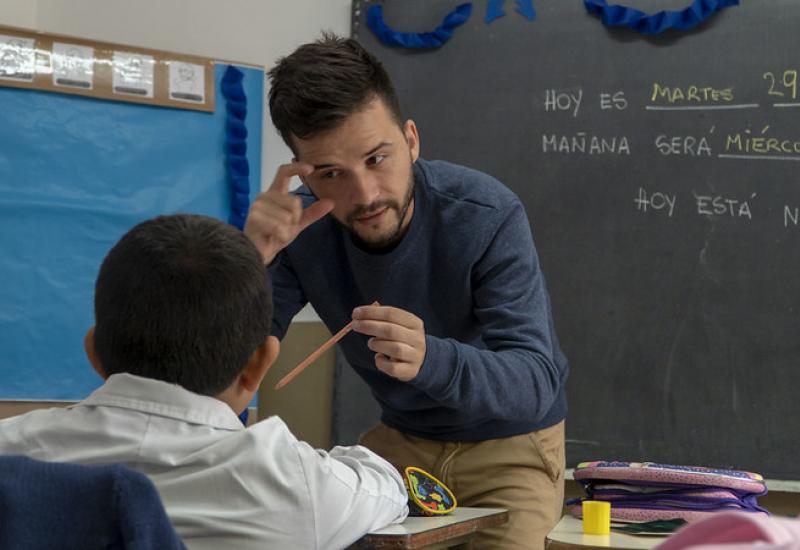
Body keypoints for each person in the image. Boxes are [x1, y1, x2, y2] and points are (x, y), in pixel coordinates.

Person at [244, 33, 570, 549]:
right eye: (332, 174)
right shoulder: (299, 228)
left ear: (412, 140)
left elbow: (536, 380)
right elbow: (229, 363)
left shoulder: (486, 213)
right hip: (402, 446)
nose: (366, 194)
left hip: (512, 447)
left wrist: (430, 359)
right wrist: (249, 260)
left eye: (378, 158)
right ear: (302, 173)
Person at [0, 214, 408, 550]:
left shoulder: (10, 451)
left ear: (94, 353)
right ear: (259, 366)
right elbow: (387, 484)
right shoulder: (295, 483)